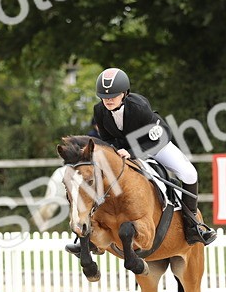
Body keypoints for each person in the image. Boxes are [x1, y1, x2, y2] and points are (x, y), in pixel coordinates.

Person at [66, 67, 216, 254]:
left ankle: (193, 223)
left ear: (125, 93)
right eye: (104, 96)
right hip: (124, 150)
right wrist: (116, 153)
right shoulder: (99, 110)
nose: (109, 100)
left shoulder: (139, 107)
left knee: (189, 173)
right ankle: (87, 237)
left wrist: (132, 152)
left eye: (113, 95)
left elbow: (157, 137)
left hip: (154, 144)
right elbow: (106, 139)